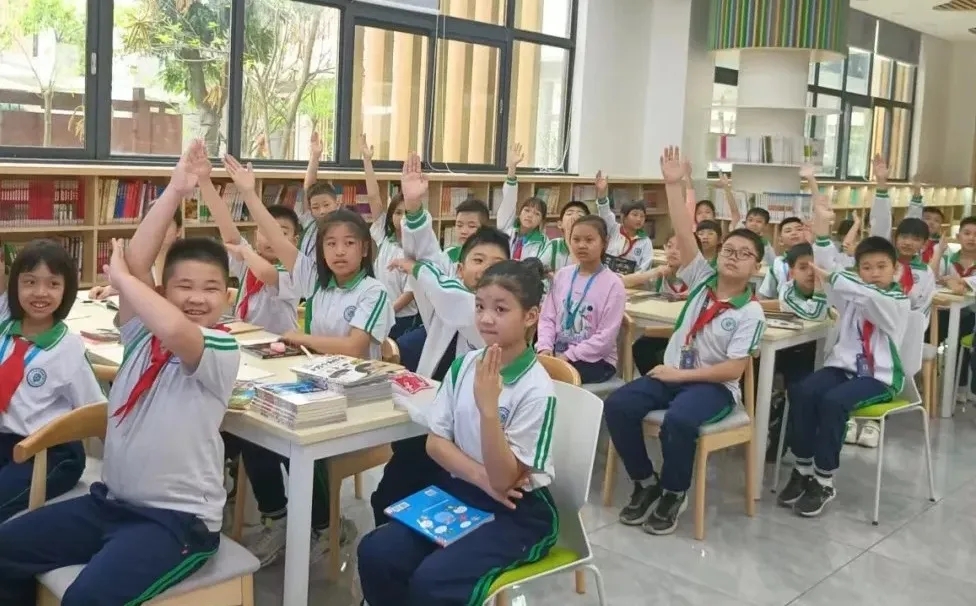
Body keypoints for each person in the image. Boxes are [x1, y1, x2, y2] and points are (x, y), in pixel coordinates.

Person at [0, 141, 240, 604]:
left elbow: (171, 322)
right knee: (5, 548)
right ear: (162, 290)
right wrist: (173, 190)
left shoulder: (219, 346)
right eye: (183, 286)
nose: (196, 297)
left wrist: (125, 280)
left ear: (227, 298)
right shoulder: (140, 336)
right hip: (110, 503)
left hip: (175, 523)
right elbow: (135, 265)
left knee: (87, 600)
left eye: (210, 289)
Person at [357, 260, 559, 606]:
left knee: (433, 582)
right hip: (466, 487)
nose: (485, 318)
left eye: (500, 309)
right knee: (376, 551)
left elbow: (505, 480)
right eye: (480, 306)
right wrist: (480, 479)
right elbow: (436, 443)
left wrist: (488, 409)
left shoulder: (537, 389)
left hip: (519, 511)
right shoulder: (464, 365)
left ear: (530, 316)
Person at [225, 153, 393, 566]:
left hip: (354, 396)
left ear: (365, 248)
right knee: (250, 428)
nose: (339, 252)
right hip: (312, 381)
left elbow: (355, 347)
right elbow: (279, 242)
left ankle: (323, 525)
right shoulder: (315, 281)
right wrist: (249, 193)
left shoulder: (374, 292)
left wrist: (299, 336)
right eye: (330, 244)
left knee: (298, 442)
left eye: (349, 243)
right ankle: (278, 517)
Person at [604, 146, 766, 535]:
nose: (733, 257)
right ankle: (645, 483)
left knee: (679, 421)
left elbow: (733, 369)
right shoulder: (702, 280)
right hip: (673, 374)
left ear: (756, 268)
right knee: (619, 406)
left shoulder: (750, 311)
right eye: (728, 250)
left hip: (714, 387)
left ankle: (674, 492)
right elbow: (681, 228)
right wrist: (673, 184)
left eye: (744, 254)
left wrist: (678, 377)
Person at [371, 154, 514, 526]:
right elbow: (431, 258)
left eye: (495, 263)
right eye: (477, 260)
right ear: (461, 268)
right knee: (386, 498)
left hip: (466, 440)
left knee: (425, 503)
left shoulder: (488, 316)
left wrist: (418, 269)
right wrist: (415, 208)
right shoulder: (446, 295)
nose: (485, 269)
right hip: (428, 420)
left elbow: (444, 288)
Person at [776, 192, 910, 517]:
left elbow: (863, 295)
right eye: (866, 267)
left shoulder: (895, 301)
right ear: (858, 269)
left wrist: (840, 275)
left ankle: (824, 479)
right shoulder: (852, 292)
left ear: (895, 270)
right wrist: (822, 233)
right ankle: (803, 469)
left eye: (881, 266)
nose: (874, 272)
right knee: (803, 391)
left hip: (877, 377)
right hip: (843, 368)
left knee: (833, 402)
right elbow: (827, 272)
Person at [0, 240, 103, 522]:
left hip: (50, 452)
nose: (40, 293)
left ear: (67, 290)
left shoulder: (68, 349)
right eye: (30, 282)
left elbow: (96, 411)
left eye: (53, 284)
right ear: (15, 286)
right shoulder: (5, 325)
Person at [198, 168, 301, 336]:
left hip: (282, 346)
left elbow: (267, 274)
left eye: (281, 233)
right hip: (246, 339)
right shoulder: (250, 256)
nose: (271, 239)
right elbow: (225, 223)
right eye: (265, 232)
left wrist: (245, 252)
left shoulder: (294, 268)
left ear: (294, 241)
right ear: (255, 235)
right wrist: (204, 180)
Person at [536, 215, 625, 383]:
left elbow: (605, 339)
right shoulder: (562, 275)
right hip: (557, 352)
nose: (582, 245)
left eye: (589, 240)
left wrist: (569, 356)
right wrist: (545, 348)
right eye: (576, 239)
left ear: (604, 243)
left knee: (553, 378)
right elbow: (547, 317)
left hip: (595, 360)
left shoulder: (614, 285)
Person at [360, 135, 419, 340]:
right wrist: (367, 161)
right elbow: (374, 197)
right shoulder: (385, 238)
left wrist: (387, 311)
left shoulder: (417, 250)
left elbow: (410, 293)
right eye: (398, 213)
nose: (402, 218)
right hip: (380, 311)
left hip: (402, 317)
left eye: (408, 214)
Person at [88, 208, 182, 300]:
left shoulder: (185, 264)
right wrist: (109, 289)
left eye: (165, 226)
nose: (157, 231)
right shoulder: (141, 262)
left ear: (178, 231)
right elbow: (139, 287)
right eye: (152, 225)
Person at [595, 171, 653, 273]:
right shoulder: (614, 229)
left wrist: (632, 279)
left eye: (642, 216)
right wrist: (602, 194)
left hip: (630, 282)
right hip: (607, 276)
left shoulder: (645, 241)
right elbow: (605, 213)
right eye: (634, 215)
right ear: (623, 216)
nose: (639, 219)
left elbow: (645, 266)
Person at [497, 144, 547, 261]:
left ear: (542, 221)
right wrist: (512, 168)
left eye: (536, 214)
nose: (530, 215)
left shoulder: (544, 242)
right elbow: (509, 199)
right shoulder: (506, 227)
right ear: (519, 213)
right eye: (527, 210)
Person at [297, 131, 342, 258]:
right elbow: (308, 187)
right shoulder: (310, 223)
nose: (322, 211)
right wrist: (315, 156)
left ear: (337, 204)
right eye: (315, 207)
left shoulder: (343, 228)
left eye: (326, 205)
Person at [757, 216, 808, 299]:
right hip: (782, 308)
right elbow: (767, 293)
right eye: (788, 231)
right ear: (780, 241)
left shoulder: (815, 260)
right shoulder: (778, 263)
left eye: (799, 229)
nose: (794, 233)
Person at [541, 200, 590, 274]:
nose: (574, 217)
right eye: (569, 214)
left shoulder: (590, 246)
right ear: (560, 224)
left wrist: (571, 237)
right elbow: (538, 268)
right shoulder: (554, 244)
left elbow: (583, 274)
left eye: (580, 215)